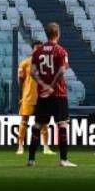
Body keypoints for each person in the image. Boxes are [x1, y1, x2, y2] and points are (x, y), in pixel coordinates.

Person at [27, 23, 75, 168]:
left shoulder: (38, 51)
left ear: (46, 34)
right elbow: (61, 71)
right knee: (62, 124)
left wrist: (43, 85)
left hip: (43, 95)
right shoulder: (60, 51)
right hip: (58, 93)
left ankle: (31, 159)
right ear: (58, 33)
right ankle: (63, 160)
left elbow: (32, 72)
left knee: (37, 125)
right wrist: (52, 86)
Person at [16, 40, 50, 155]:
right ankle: (20, 146)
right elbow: (21, 81)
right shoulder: (25, 63)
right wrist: (21, 95)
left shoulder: (45, 64)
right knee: (24, 120)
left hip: (42, 97)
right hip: (28, 96)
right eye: (37, 48)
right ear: (33, 49)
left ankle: (46, 147)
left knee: (44, 122)